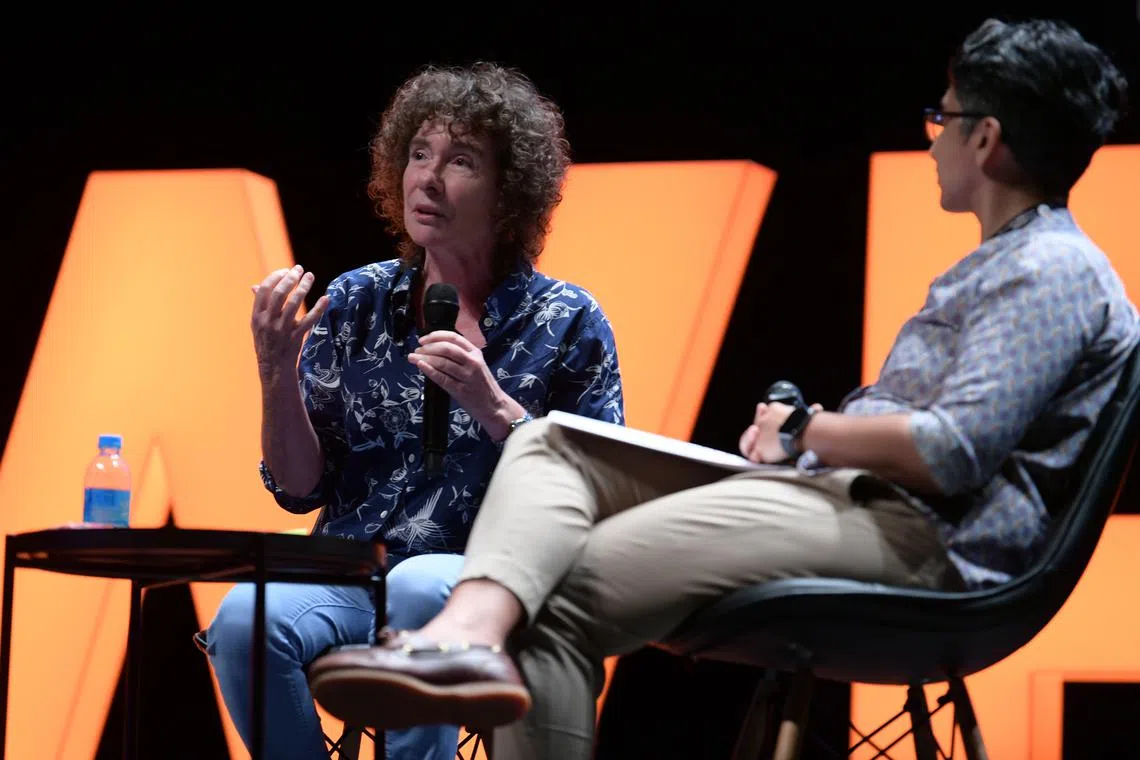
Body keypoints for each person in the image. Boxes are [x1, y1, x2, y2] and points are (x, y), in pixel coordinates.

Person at [305, 18, 1138, 760]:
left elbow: (949, 452)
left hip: (915, 538)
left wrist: (807, 429)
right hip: (849, 504)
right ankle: (466, 635)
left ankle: (470, 635)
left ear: (987, 139)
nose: (932, 139)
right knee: (548, 442)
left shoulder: (1049, 271)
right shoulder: (1013, 261)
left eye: (943, 118)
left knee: (546, 596)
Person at [200, 62, 624, 760]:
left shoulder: (565, 319)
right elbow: (297, 487)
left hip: (489, 583)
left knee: (422, 582)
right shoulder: (358, 300)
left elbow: (599, 485)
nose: (427, 177)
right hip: (350, 575)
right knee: (244, 620)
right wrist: (275, 371)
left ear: (509, 192)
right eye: (418, 153)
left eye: (459, 161)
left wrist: (496, 410)